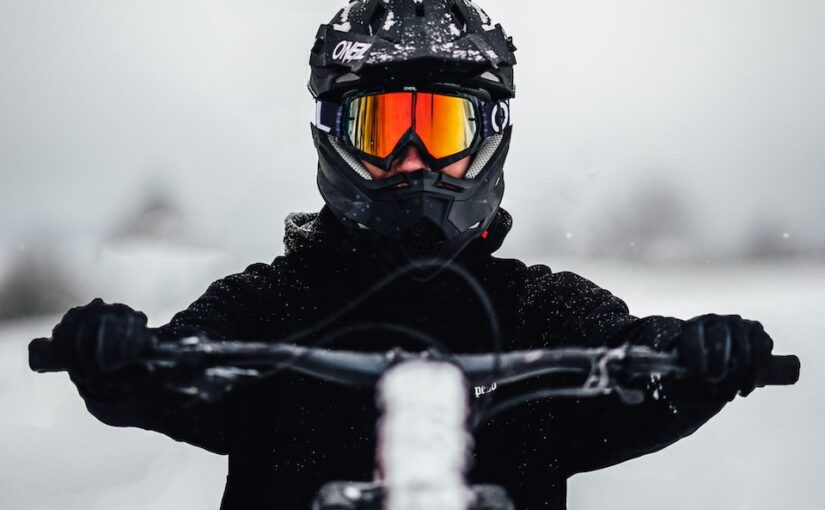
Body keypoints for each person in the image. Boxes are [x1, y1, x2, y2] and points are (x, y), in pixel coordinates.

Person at [48, 1, 777, 509]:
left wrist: (691, 357)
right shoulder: (270, 303)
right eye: (382, 126)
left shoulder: (539, 309)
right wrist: (119, 359)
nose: (412, 160)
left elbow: (630, 365)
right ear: (335, 135)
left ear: (489, 136)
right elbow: (178, 372)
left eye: (441, 127)